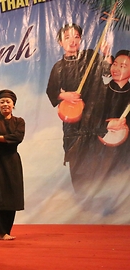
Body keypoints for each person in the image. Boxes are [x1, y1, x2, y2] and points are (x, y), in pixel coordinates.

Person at [46, 23, 111, 196]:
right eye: (67, 37)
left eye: (76, 36)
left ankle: (101, 202)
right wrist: (64, 96)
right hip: (73, 124)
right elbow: (51, 91)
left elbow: (107, 77)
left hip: (96, 118)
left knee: (99, 161)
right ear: (60, 42)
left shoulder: (91, 56)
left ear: (81, 39)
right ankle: (83, 201)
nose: (72, 41)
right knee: (76, 162)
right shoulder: (59, 67)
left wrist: (106, 57)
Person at [0, 90, 25, 240]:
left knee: (11, 195)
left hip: (12, 161)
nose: (5, 104)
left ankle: (6, 231)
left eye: (8, 101)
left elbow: (17, 137)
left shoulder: (19, 121)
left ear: (13, 104)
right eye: (2, 102)